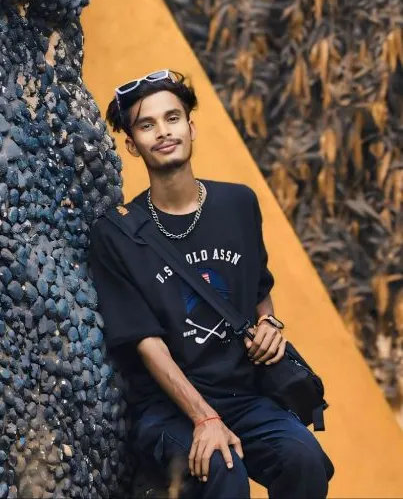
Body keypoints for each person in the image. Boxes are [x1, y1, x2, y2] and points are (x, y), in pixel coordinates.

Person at [90, 69, 334, 498]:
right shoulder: (117, 234)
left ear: (191, 126)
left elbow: (258, 287)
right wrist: (203, 418)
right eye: (147, 125)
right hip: (169, 410)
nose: (163, 132)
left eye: (172, 118)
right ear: (132, 144)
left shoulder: (239, 203)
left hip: (244, 395)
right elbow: (148, 344)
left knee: (305, 461)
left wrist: (269, 326)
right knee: (224, 471)